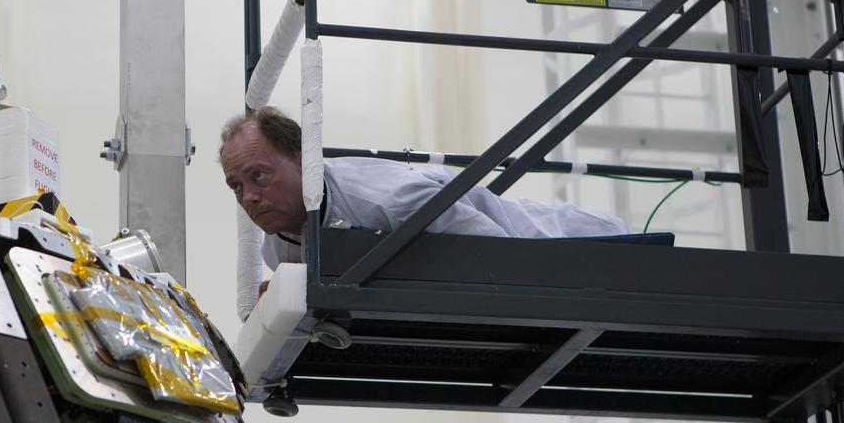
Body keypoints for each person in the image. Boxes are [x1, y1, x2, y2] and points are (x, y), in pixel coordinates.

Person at [219, 106, 629, 270]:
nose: (248, 197)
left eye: (258, 175)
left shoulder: (385, 197)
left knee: (605, 239)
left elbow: (502, 255)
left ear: (302, 159)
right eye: (236, 186)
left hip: (547, 238)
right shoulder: (278, 254)